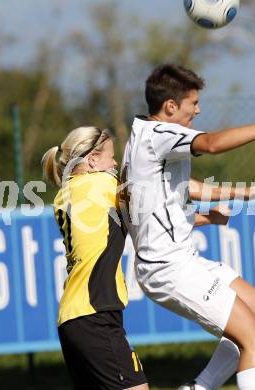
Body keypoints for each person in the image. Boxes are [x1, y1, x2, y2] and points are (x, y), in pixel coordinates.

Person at [120, 64, 255, 390]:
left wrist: (241, 192)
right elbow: (210, 144)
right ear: (170, 107)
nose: (198, 109)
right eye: (192, 104)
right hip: (168, 268)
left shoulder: (144, 137)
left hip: (183, 260)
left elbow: (182, 188)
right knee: (254, 339)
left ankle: (198, 388)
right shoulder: (159, 136)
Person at [41, 126, 148, 390]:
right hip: (95, 314)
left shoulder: (65, 192)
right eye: (111, 157)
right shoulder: (100, 183)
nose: (114, 163)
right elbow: (151, 200)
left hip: (72, 318)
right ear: (92, 160)